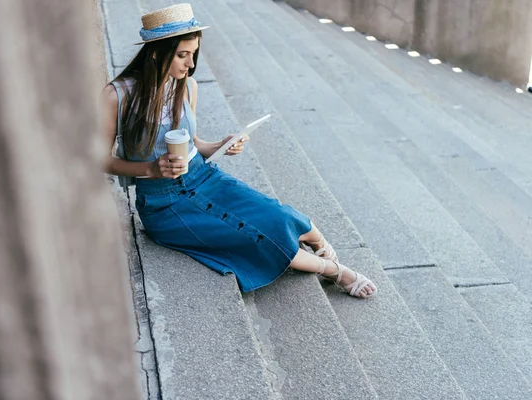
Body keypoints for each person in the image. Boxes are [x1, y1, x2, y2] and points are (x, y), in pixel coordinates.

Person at [101, 3, 377, 298]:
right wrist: (150, 169)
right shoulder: (117, 96)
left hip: (203, 179)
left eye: (193, 54)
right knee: (255, 237)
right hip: (163, 204)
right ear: (156, 52)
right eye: (182, 55)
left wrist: (220, 145)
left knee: (280, 215)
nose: (190, 63)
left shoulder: (187, 87)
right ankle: (334, 271)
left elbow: (193, 146)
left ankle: (320, 244)